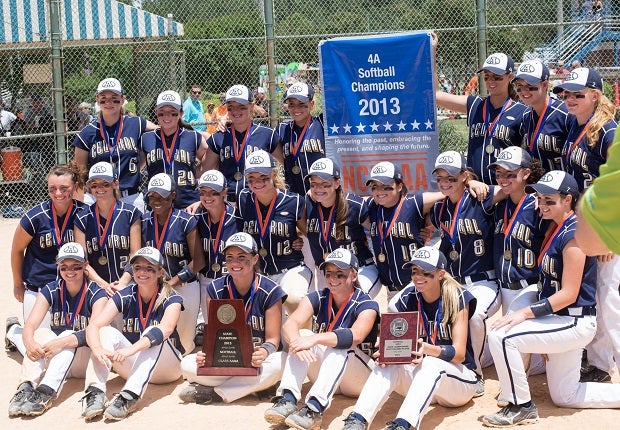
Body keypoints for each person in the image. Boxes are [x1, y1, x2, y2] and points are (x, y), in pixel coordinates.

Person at [482, 171, 620, 428]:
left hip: (574, 322)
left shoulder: (574, 235)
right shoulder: (557, 227)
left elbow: (569, 294)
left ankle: (520, 406)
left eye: (549, 200)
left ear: (568, 200)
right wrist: (543, 331)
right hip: (561, 320)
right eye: (540, 199)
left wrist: (525, 315)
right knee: (565, 395)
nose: (542, 205)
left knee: (501, 336)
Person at [343, 247, 478, 430]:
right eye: (415, 271)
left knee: (431, 364)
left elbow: (460, 354)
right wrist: (386, 349)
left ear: (441, 274)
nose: (418, 277)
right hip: (423, 385)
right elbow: (401, 342)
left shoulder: (457, 297)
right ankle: (358, 419)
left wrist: (428, 349)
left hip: (458, 381)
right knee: (389, 363)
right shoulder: (407, 298)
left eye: (425, 272)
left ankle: (403, 424)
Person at [264, 248, 380, 430]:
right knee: (301, 336)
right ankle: (288, 399)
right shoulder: (317, 297)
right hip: (327, 372)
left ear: (354, 275)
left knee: (340, 345)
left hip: (358, 379)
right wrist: (300, 342)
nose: (333, 279)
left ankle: (314, 409)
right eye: (329, 273)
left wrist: (315, 339)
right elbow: (289, 325)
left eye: (340, 274)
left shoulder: (367, 303)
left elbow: (356, 335)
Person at [178, 232, 287, 404]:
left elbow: (273, 339)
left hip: (257, 360)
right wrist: (205, 355)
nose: (235, 263)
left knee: (282, 362)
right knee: (187, 364)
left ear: (255, 258)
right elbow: (213, 334)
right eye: (229, 257)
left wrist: (264, 352)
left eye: (242, 257)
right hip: (228, 358)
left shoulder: (270, 290)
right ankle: (254, 386)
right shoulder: (215, 288)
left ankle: (215, 393)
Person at [429, 150, 503, 395]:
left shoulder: (481, 197)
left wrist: (474, 182)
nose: (444, 183)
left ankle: (475, 372)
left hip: (484, 281)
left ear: (463, 175)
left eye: (450, 177)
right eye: (440, 178)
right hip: (455, 282)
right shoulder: (440, 209)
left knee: (474, 315)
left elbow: (509, 188)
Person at [84, 246, 184, 421]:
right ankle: (95, 392)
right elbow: (94, 325)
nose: (142, 272)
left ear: (160, 272)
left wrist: (129, 351)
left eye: (149, 268)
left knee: (152, 332)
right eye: (137, 267)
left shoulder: (172, 297)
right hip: (134, 366)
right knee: (106, 331)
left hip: (167, 369)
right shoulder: (125, 294)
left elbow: (166, 329)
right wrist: (97, 347)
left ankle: (128, 396)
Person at [8, 243, 107, 418]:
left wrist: (61, 342)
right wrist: (31, 343)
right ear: (58, 266)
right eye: (64, 266)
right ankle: (26, 386)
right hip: (56, 359)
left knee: (66, 335)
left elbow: (95, 331)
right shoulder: (51, 289)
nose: (70, 271)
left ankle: (46, 392)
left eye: (76, 266)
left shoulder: (96, 293)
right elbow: (30, 325)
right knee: (39, 334)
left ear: (85, 266)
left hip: (84, 360)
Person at [7, 163, 86, 356]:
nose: (58, 193)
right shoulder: (35, 217)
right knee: (34, 351)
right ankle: (13, 331)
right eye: (52, 189)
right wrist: (18, 283)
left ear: (75, 186)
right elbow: (17, 250)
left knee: (68, 344)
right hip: (39, 287)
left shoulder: (84, 213)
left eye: (64, 188)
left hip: (71, 288)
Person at [432, 33, 526, 185]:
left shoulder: (521, 112)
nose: (491, 81)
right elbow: (436, 95)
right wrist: (432, 53)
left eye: (497, 77)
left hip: (503, 189)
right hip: (474, 187)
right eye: (487, 76)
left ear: (510, 77)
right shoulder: (475, 104)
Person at [236, 150, 311, 316]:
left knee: (294, 300)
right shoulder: (243, 199)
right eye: (251, 178)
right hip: (258, 273)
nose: (257, 182)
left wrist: (297, 236)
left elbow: (308, 232)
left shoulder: (294, 201)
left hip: (290, 269)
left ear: (274, 173)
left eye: (263, 177)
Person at [141, 173, 205, 354]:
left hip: (184, 286)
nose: (157, 200)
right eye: (152, 196)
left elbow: (199, 261)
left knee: (184, 343)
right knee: (157, 338)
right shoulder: (144, 221)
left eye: (162, 195)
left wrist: (172, 283)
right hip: (153, 288)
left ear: (173, 195)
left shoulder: (186, 220)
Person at [72, 77, 156, 212]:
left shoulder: (136, 123)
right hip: (96, 198)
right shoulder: (87, 133)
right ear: (97, 101)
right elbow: (79, 173)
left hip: (130, 197)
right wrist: (79, 206)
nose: (108, 102)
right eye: (103, 98)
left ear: (123, 100)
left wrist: (200, 136)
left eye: (114, 98)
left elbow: (163, 130)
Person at [366, 161, 442, 299]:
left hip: (416, 286)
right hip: (391, 289)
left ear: (400, 186)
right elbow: (344, 201)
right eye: (375, 187)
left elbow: (448, 193)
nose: (380, 191)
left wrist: (428, 223)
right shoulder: (371, 207)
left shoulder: (413, 203)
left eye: (386, 187)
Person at [305, 158, 379, 297]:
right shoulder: (307, 206)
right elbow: (298, 229)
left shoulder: (355, 205)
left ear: (337, 183)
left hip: (359, 269)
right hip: (326, 272)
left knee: (349, 299)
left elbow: (379, 230)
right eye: (313, 184)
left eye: (325, 184)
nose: (318, 188)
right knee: (328, 312)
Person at [203, 84, 283, 202]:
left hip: (259, 200)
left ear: (251, 106)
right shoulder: (219, 136)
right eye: (230, 107)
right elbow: (204, 170)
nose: (236, 111)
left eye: (241, 107)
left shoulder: (267, 134)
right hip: (227, 202)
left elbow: (288, 163)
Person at [73, 162, 142, 296]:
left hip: (127, 284)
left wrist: (122, 283)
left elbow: (135, 255)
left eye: (105, 184)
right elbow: (82, 261)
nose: (100, 189)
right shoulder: (81, 219)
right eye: (94, 185)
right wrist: (104, 286)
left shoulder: (131, 214)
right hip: (96, 287)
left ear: (115, 184)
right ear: (89, 188)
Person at [140, 90, 209, 209]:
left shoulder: (192, 137)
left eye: (173, 113)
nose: (167, 117)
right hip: (157, 205)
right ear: (155, 112)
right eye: (161, 113)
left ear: (181, 113)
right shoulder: (146, 138)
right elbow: (137, 167)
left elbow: (209, 158)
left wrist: (193, 173)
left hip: (188, 204)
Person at [193, 169, 240, 342]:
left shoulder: (238, 217)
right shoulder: (196, 217)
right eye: (203, 192)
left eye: (214, 193)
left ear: (224, 192)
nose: (208, 197)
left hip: (232, 279)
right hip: (207, 280)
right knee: (213, 327)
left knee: (235, 327)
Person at [515, 59, 570, 172]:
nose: (524, 91)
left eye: (530, 85)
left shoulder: (565, 114)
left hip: (562, 185)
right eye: (519, 85)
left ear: (545, 85)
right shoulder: (527, 115)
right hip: (537, 184)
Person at [278, 82, 326, 196]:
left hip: (322, 193)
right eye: (291, 104)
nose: (296, 109)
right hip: (294, 195)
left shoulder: (322, 123)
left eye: (301, 104)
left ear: (312, 104)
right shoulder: (282, 129)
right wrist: (228, 120)